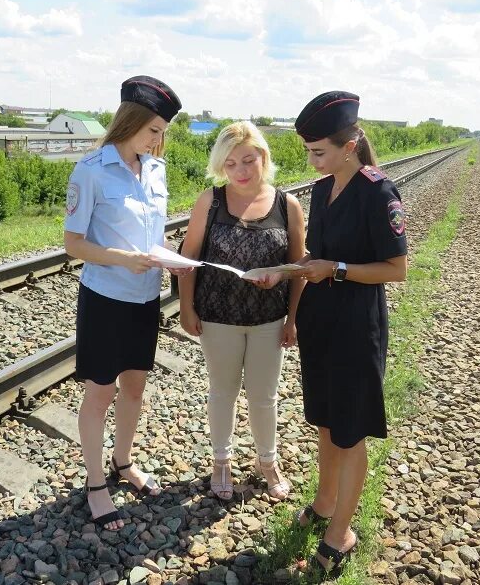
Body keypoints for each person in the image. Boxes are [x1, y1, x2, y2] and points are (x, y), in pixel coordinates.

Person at [261, 91, 407, 575]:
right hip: (321, 322)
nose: (311, 160)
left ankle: (341, 532)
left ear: (350, 146)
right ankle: (325, 504)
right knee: (325, 419)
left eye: (318, 152)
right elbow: (314, 259)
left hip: (355, 327)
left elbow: (395, 269)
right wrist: (285, 272)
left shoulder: (379, 192)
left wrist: (336, 269)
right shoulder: (323, 191)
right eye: (308, 151)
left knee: (349, 431)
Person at [63, 75, 189, 531]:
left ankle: (123, 462)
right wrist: (123, 259)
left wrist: (168, 258)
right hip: (105, 299)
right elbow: (73, 244)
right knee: (101, 392)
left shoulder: (155, 168)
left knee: (135, 387)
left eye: (162, 132)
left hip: (144, 299)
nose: (158, 140)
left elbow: (152, 235)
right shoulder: (91, 170)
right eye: (152, 129)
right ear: (130, 121)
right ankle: (96, 484)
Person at [177, 121, 306, 502]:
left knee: (265, 396)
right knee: (222, 393)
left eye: (248, 160)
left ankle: (269, 462)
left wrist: (293, 317)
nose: (242, 171)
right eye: (231, 164)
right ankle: (221, 461)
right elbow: (189, 257)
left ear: (263, 157)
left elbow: (299, 267)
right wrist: (187, 307)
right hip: (217, 317)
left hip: (269, 320)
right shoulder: (210, 201)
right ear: (221, 166)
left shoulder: (287, 205)